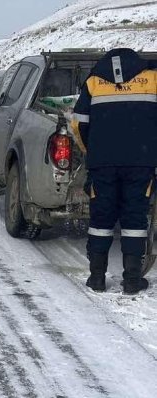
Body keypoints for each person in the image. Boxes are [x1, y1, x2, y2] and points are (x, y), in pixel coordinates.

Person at [71, 48, 157, 294]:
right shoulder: (152, 78)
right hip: (141, 162)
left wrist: (93, 150)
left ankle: (97, 278)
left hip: (103, 164)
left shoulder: (94, 81)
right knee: (135, 218)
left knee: (101, 219)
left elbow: (78, 123)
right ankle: (131, 280)